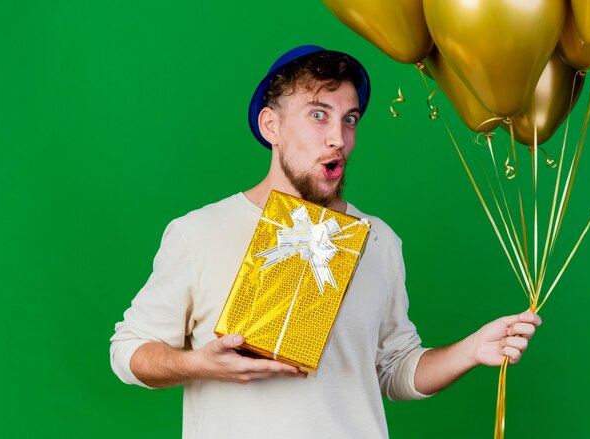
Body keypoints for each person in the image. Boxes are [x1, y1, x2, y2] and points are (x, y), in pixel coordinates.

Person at [110, 45, 541, 438]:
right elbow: (128, 351)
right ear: (271, 125)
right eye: (318, 114)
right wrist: (198, 364)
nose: (338, 137)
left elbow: (394, 370)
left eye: (349, 118)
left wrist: (471, 349)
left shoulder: (380, 241)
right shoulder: (199, 232)